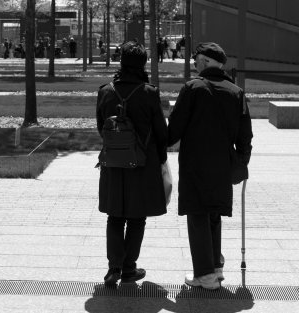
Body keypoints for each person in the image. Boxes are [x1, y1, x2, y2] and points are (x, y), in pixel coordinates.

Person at [167, 42, 253, 289]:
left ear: (204, 62)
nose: (195, 66)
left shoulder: (192, 88)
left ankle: (205, 275)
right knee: (214, 214)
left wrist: (161, 143)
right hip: (223, 166)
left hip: (196, 164)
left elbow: (174, 130)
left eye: (196, 62)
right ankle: (215, 267)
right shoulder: (236, 92)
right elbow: (245, 136)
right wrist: (241, 164)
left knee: (197, 215)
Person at [96, 41, 168, 286]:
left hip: (113, 162)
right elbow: (161, 132)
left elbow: (100, 128)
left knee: (115, 216)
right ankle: (128, 268)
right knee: (137, 218)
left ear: (120, 62)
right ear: (144, 64)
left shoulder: (105, 91)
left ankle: (113, 267)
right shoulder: (149, 93)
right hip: (142, 163)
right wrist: (162, 160)